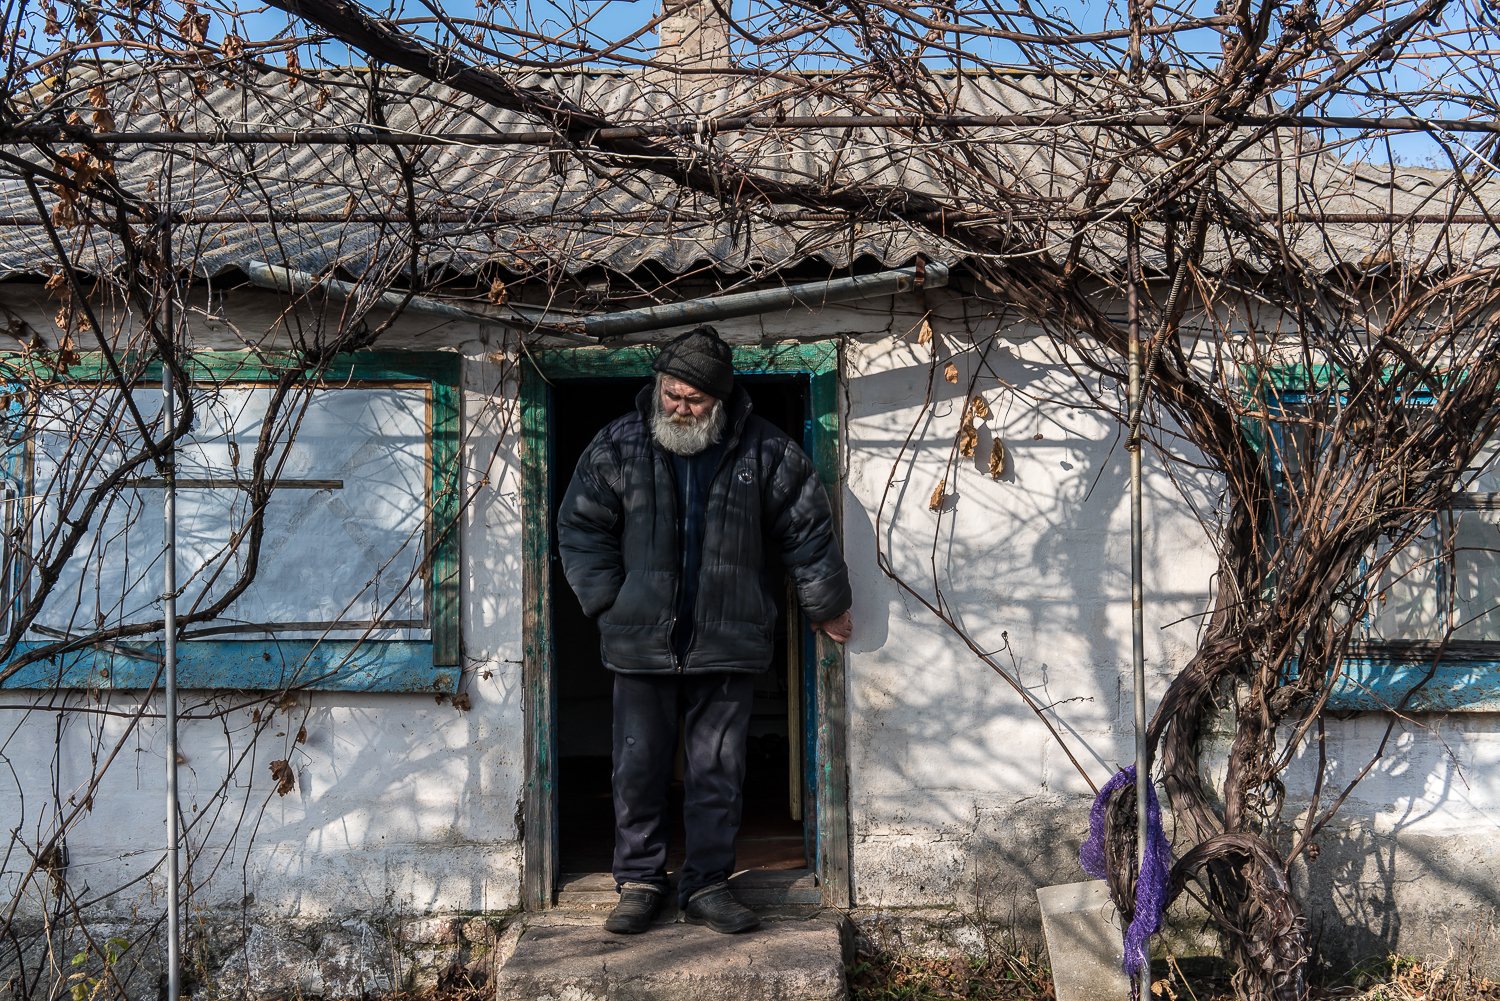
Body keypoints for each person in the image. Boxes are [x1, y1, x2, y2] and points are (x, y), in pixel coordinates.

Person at [556, 325, 853, 936]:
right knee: (637, 769)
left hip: (729, 643)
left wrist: (826, 605)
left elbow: (808, 530)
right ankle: (640, 882)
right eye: (672, 394)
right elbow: (580, 528)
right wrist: (611, 600)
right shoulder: (617, 447)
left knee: (717, 772)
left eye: (695, 400)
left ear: (721, 401)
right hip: (639, 644)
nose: (681, 409)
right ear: (658, 386)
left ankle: (708, 884)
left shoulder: (765, 453)